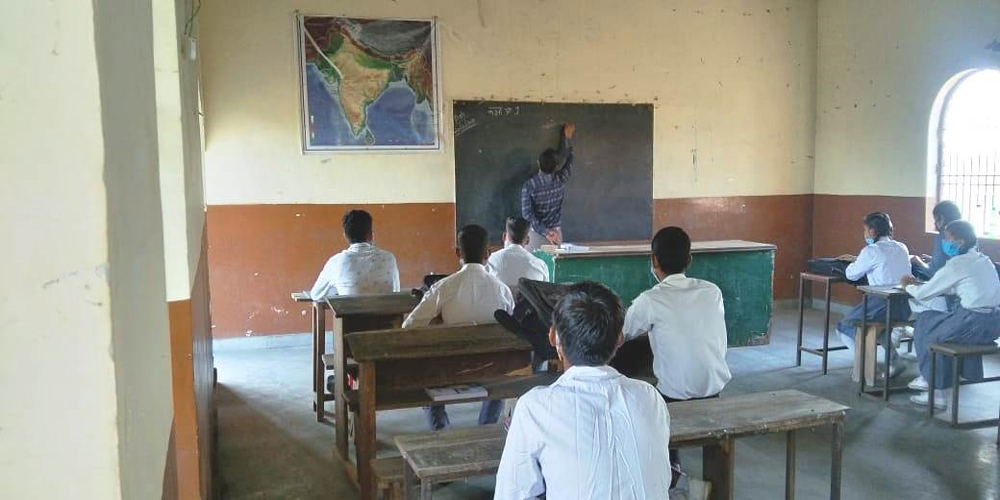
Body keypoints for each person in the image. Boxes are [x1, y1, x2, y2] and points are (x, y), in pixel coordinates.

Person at [494, 282, 672, 500]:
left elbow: (511, 494)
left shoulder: (534, 407)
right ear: (619, 339)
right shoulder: (650, 397)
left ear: (553, 337)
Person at [623, 226, 730, 487]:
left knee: (643, 394)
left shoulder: (650, 299)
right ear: (689, 260)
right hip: (714, 390)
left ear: (654, 261)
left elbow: (621, 334)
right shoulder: (713, 292)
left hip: (674, 397)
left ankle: (671, 469)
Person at [403, 224, 514, 430]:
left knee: (425, 373)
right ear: (488, 253)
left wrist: (437, 322)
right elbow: (512, 327)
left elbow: (409, 326)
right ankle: (486, 427)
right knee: (502, 374)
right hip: (492, 368)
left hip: (450, 370)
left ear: (457, 252)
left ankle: (441, 429)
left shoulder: (443, 287)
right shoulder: (503, 291)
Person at [901, 220, 1000, 408]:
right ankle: (938, 382)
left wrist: (907, 285)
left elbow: (922, 294)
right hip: (994, 324)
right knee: (937, 329)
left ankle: (932, 385)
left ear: (960, 242)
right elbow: (965, 287)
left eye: (947, 239)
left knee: (925, 323)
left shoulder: (957, 264)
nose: (944, 242)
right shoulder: (983, 260)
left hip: (971, 323)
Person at [835, 212, 912, 378]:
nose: (864, 234)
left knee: (844, 327)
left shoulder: (871, 250)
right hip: (904, 306)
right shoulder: (902, 247)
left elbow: (851, 275)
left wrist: (855, 262)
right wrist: (860, 259)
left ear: (872, 231)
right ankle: (894, 361)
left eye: (865, 230)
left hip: (881, 304)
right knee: (880, 328)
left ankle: (866, 365)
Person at [309, 209, 400, 300]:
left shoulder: (335, 263)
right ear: (371, 235)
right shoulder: (389, 258)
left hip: (348, 310)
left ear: (345, 236)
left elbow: (316, 295)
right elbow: (396, 292)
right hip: (384, 309)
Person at [521, 122, 575, 251]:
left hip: (535, 235)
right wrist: (567, 138)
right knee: (554, 263)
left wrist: (545, 231)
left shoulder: (529, 185)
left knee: (535, 263)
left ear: (538, 163)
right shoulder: (560, 179)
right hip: (556, 234)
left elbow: (527, 214)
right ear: (556, 167)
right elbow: (570, 160)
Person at [487, 217, 551, 296]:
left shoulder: (491, 260)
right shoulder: (541, 266)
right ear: (528, 240)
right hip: (527, 304)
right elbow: (545, 296)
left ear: (504, 236)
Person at [911, 200, 963, 281]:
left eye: (935, 220)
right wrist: (933, 259)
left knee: (913, 267)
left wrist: (918, 261)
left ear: (942, 218)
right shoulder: (967, 236)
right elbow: (952, 260)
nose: (934, 223)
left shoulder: (943, 237)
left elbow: (934, 273)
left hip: (944, 282)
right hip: (961, 279)